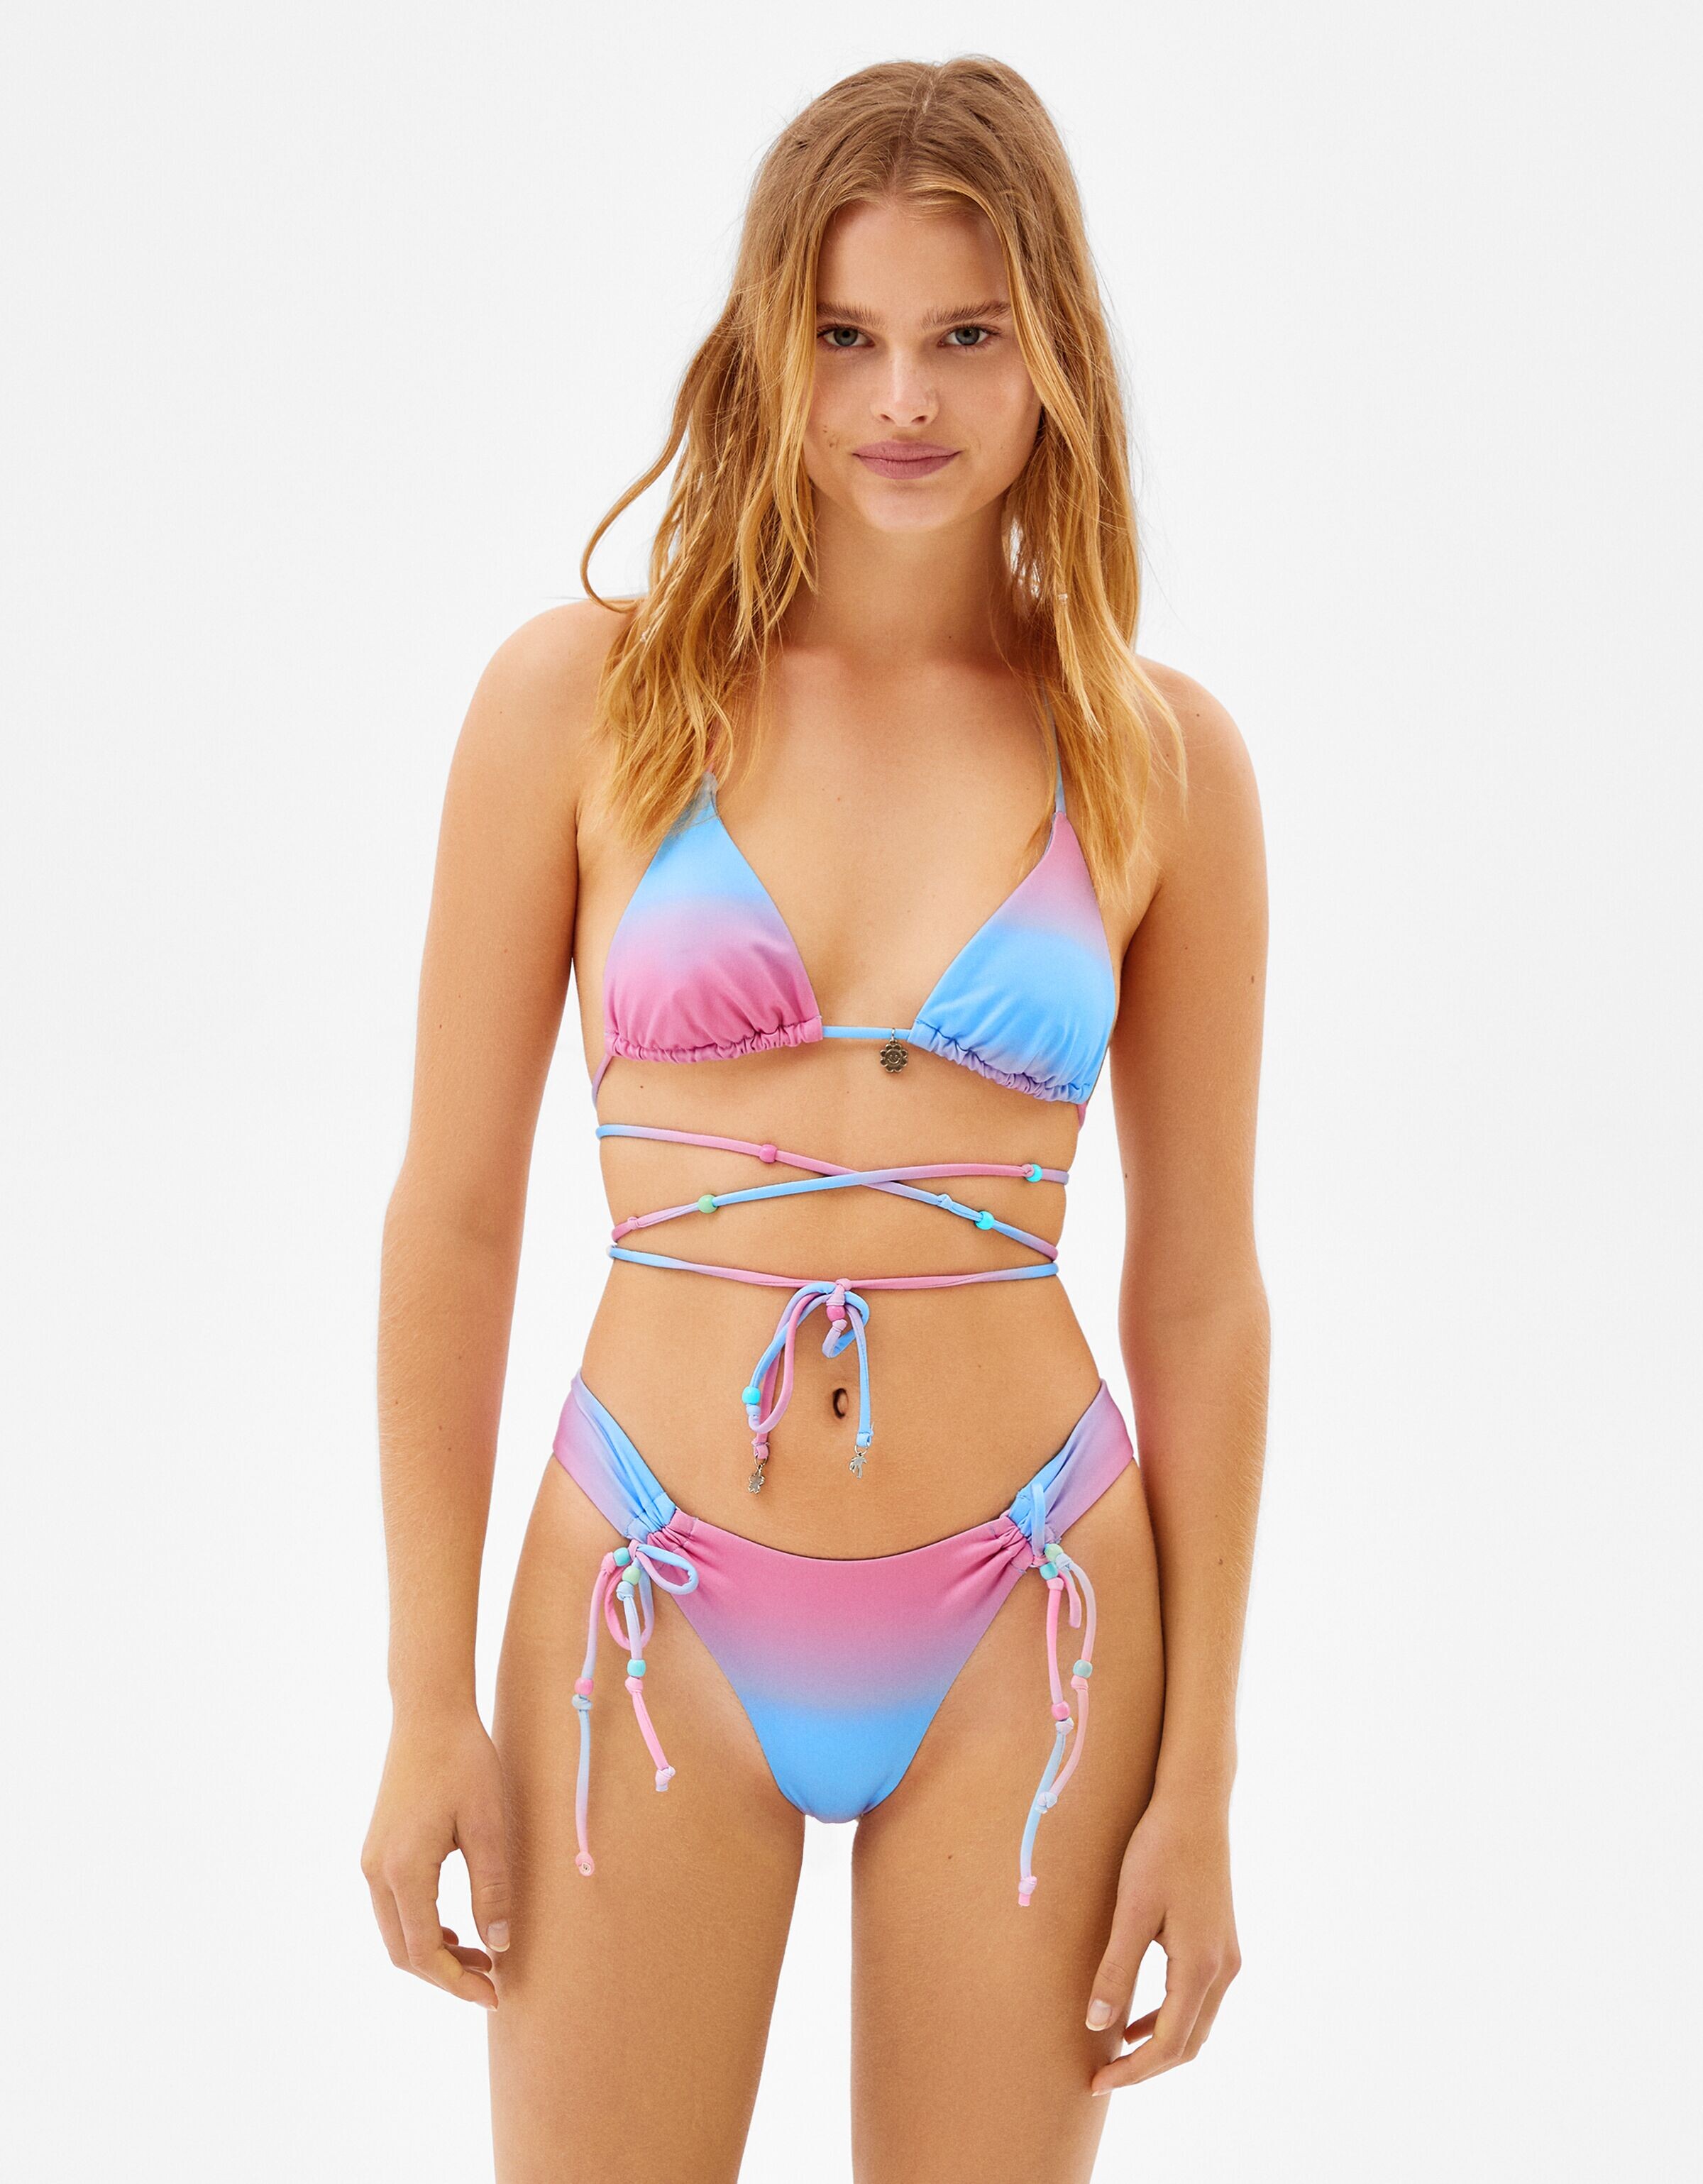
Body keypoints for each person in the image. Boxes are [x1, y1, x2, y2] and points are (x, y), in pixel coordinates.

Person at [363, 55, 1269, 2183]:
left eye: (970, 334)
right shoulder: (579, 703)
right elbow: (453, 1220)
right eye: (846, 335)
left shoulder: (1160, 761)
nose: (905, 399)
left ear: (1057, 351)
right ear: (768, 345)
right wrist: (421, 1698)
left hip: (1035, 1611)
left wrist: (1205, 1780)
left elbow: (1204, 1293)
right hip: (642, 1589)